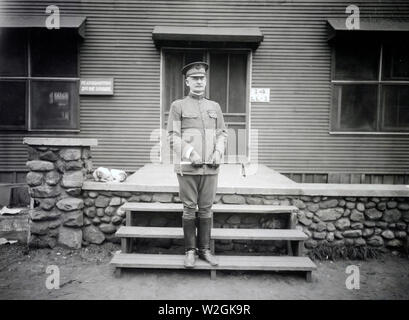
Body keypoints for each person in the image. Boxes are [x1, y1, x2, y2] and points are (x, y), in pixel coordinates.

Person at [166, 61, 228, 268]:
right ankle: (190, 251)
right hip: (188, 168)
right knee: (189, 208)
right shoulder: (178, 106)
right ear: (187, 82)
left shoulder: (215, 107)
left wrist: (219, 151)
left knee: (207, 209)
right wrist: (189, 152)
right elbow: (172, 136)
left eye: (202, 78)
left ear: (206, 81)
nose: (199, 82)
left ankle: (205, 250)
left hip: (210, 168)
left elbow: (222, 134)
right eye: (195, 78)